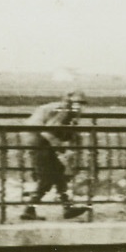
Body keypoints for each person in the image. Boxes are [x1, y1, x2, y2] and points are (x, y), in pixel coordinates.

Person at [19, 90, 89, 221]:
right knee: (47, 180)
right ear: (69, 102)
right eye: (76, 103)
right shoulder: (63, 111)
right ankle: (30, 209)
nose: (79, 106)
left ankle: (66, 208)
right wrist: (62, 150)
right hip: (41, 145)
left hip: (43, 145)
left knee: (58, 175)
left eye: (82, 103)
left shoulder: (67, 112)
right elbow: (47, 132)